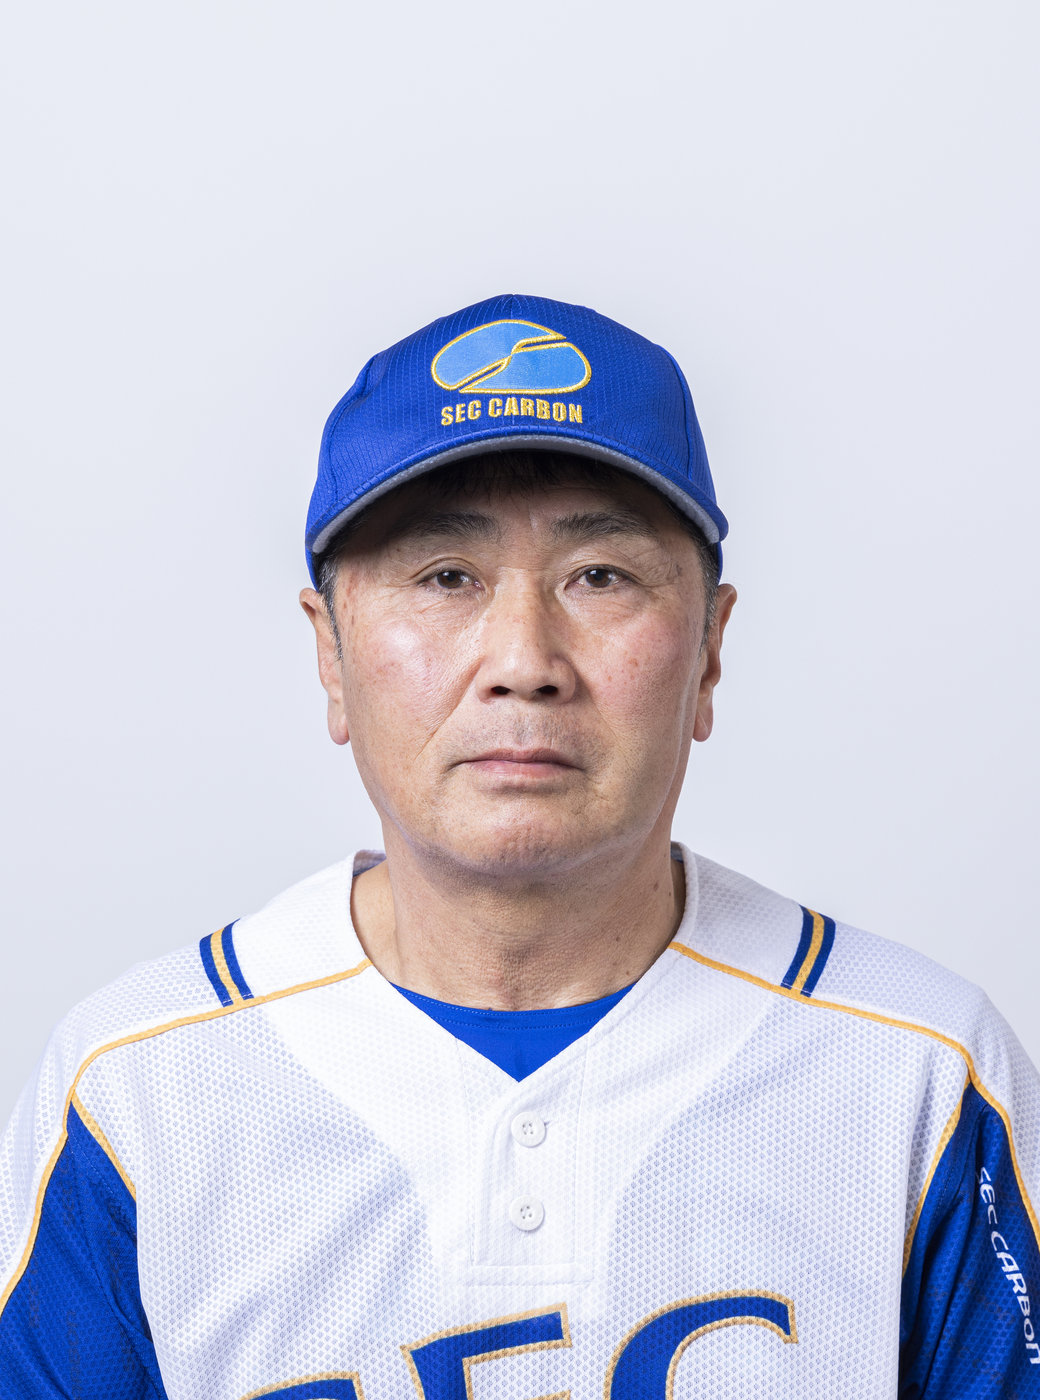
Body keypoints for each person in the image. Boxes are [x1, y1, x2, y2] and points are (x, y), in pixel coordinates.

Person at [0, 293, 1037, 1400]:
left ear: (708, 651)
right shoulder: (139, 1090)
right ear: (331, 655)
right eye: (445, 576)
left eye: (600, 576)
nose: (523, 661)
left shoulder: (917, 1074)